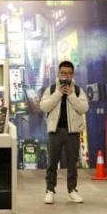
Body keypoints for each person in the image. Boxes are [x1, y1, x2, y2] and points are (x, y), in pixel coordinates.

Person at [39, 60, 89, 204]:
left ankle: (72, 190)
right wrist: (58, 94)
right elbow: (44, 107)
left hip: (73, 132)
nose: (66, 76)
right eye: (63, 73)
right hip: (55, 131)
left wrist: (71, 95)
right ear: (58, 73)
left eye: (69, 73)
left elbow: (84, 108)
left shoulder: (78, 90)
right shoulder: (51, 89)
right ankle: (50, 190)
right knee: (52, 162)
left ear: (72, 75)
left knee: (72, 162)